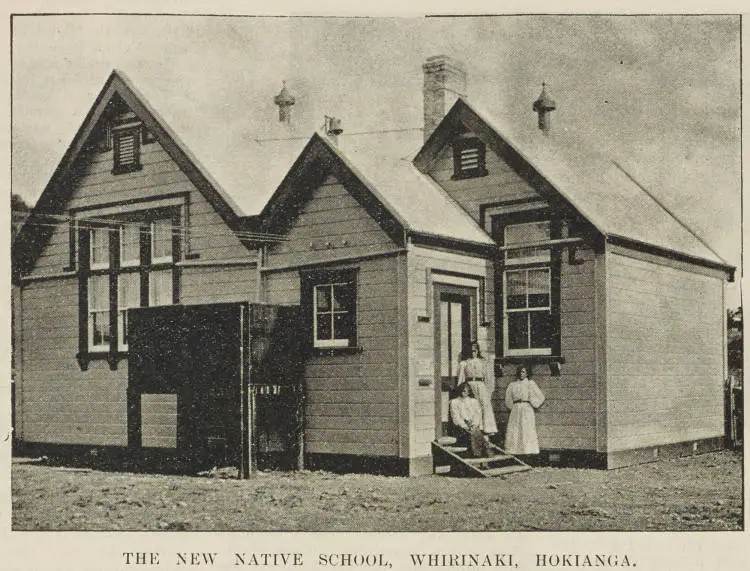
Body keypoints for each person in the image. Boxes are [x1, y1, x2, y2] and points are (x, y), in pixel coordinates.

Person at [457, 342, 498, 437]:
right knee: (472, 406)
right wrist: (461, 389)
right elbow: (461, 379)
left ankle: (487, 428)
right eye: (471, 351)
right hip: (470, 385)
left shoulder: (483, 362)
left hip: (481, 385)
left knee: (484, 405)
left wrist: (488, 390)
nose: (473, 353)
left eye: (475, 351)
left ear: (478, 351)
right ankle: (475, 427)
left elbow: (488, 378)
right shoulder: (465, 363)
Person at [504, 364, 545, 455]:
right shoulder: (512, 385)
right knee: (515, 429)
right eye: (520, 372)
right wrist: (513, 407)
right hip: (516, 409)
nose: (522, 374)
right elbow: (508, 399)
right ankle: (515, 451)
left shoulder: (530, 384)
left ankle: (528, 451)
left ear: (527, 373)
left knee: (526, 429)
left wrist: (533, 403)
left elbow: (541, 397)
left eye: (524, 372)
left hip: (527, 409)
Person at [449, 383, 488, 458]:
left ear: (469, 392)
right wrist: (464, 426)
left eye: (467, 391)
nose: (465, 393)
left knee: (474, 432)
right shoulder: (454, 402)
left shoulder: (474, 401)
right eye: (463, 391)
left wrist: (474, 424)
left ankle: (478, 453)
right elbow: (456, 417)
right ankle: (480, 453)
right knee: (474, 433)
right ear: (460, 391)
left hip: (472, 426)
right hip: (460, 427)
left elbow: (477, 415)